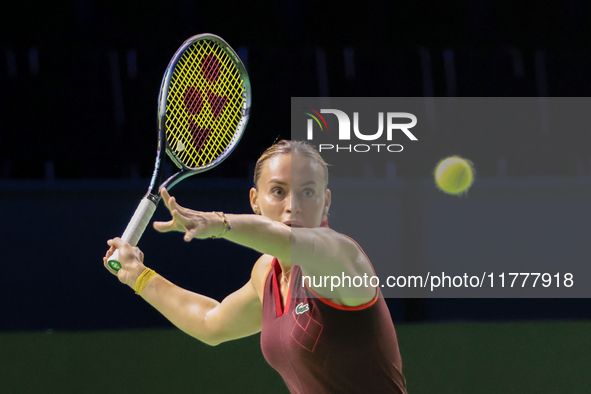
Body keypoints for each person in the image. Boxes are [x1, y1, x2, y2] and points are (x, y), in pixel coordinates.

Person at [103, 140, 408, 393]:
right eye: (278, 191)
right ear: (255, 200)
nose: (293, 205)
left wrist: (221, 223)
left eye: (308, 192)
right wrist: (138, 276)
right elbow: (211, 323)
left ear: (326, 202)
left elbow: (291, 241)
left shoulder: (339, 256)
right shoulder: (267, 274)